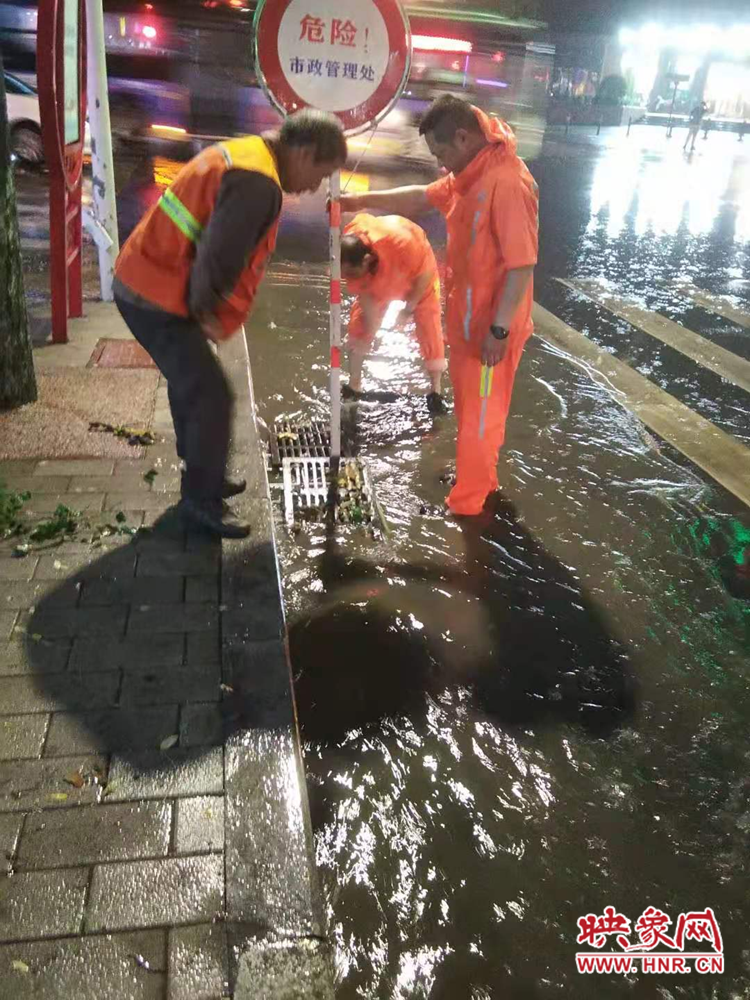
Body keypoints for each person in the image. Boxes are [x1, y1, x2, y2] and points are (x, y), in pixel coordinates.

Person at [113, 110, 348, 537]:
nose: (314, 187)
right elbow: (218, 258)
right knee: (213, 396)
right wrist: (206, 315)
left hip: (146, 279)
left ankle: (202, 470)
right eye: (320, 174)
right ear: (305, 151)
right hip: (155, 292)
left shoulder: (249, 154)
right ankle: (201, 502)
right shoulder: (258, 182)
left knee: (193, 384)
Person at [340, 95, 538, 516]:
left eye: (442, 152)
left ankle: (467, 504)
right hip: (470, 324)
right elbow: (420, 196)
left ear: (464, 137)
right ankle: (478, 479)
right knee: (474, 415)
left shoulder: (504, 182)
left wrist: (499, 330)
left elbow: (521, 266)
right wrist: (359, 202)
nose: (441, 164)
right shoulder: (470, 174)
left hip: (490, 331)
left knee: (481, 419)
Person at [340, 213, 447, 413]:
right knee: (360, 324)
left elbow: (425, 274)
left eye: (352, 274)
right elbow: (365, 297)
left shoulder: (404, 246)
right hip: (378, 278)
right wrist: (371, 330)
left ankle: (436, 392)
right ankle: (354, 386)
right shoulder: (349, 244)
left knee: (429, 327)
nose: (349, 279)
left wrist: (408, 309)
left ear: (367, 259)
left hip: (417, 275)